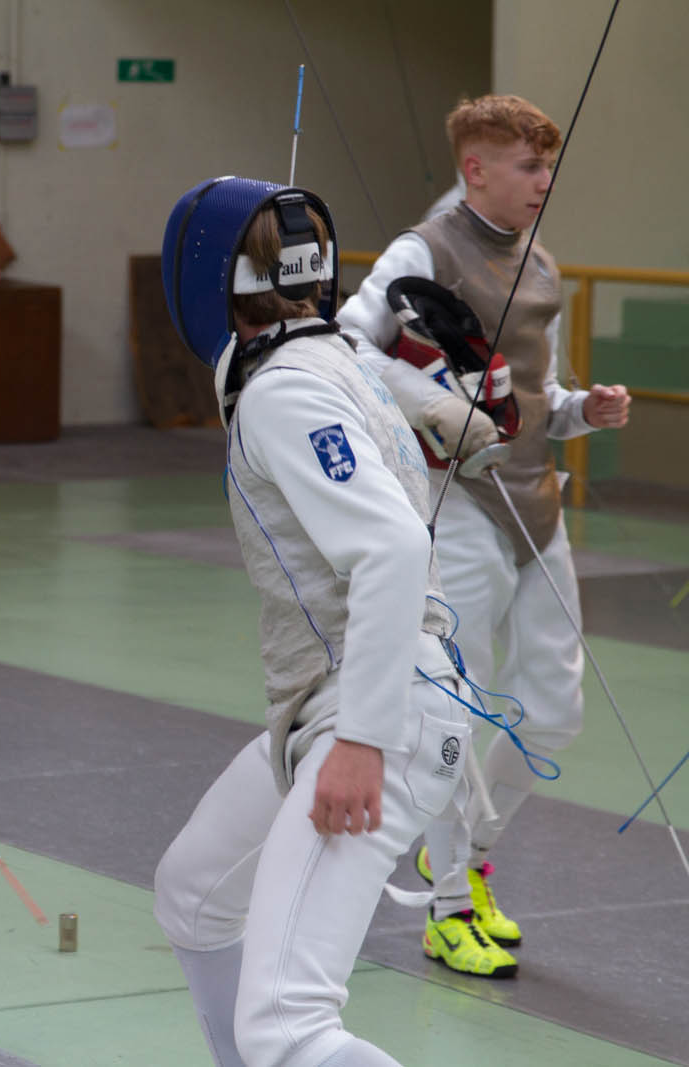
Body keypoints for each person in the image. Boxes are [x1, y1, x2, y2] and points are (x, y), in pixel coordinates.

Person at [152, 177, 471, 1067]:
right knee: (193, 892)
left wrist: (363, 739)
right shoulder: (330, 359)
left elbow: (394, 547)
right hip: (339, 702)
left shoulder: (283, 391)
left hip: (377, 711)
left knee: (287, 1026)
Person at [337, 94, 630, 978]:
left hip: (536, 500)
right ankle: (449, 905)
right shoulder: (421, 251)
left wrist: (584, 411)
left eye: (548, 167)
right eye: (529, 167)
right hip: (455, 496)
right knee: (454, 707)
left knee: (555, 709)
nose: (544, 182)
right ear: (476, 168)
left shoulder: (541, 263)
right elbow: (349, 346)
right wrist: (435, 405)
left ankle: (461, 852)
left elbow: (539, 397)